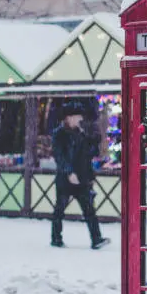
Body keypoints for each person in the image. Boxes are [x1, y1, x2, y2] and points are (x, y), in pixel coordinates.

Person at [51, 101, 109, 249]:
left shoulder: (80, 133)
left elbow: (87, 154)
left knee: (89, 209)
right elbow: (60, 156)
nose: (79, 120)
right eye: (77, 117)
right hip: (66, 179)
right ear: (68, 118)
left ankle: (96, 239)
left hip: (81, 178)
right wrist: (69, 172)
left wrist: (93, 140)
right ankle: (56, 238)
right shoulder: (59, 134)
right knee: (59, 210)